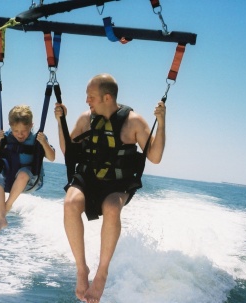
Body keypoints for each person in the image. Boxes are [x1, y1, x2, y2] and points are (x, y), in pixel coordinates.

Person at [54, 73, 166, 302]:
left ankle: (102, 273)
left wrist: (161, 123)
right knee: (70, 203)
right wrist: (61, 123)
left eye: (90, 97)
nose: (87, 101)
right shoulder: (86, 119)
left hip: (118, 182)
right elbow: (69, 151)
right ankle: (81, 269)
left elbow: (154, 156)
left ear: (106, 97)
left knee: (112, 208)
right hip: (88, 176)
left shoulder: (134, 122)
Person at [0, 104, 55, 235]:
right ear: (10, 126)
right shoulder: (7, 136)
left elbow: (52, 157)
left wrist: (44, 143)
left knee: (23, 174)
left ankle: (7, 207)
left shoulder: (38, 138)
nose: (20, 135)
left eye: (23, 131)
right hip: (11, 178)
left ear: (31, 125)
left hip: (31, 180)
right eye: (16, 131)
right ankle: (2, 219)